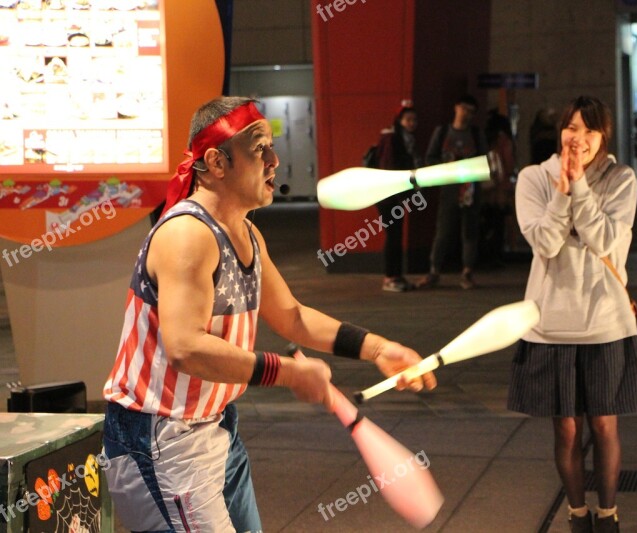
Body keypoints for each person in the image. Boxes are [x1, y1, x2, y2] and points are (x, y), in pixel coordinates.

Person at [102, 97, 436, 532]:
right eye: (260, 149)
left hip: (214, 426)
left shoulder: (245, 232)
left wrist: (379, 348)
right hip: (159, 437)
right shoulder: (187, 234)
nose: (275, 161)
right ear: (216, 162)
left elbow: (292, 316)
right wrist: (288, 373)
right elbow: (185, 348)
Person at [508, 95, 637, 533]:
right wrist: (562, 192)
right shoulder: (534, 178)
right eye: (572, 128)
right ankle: (577, 514)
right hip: (550, 324)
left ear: (603, 135)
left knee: (604, 424)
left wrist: (580, 186)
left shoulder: (621, 179)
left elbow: (604, 240)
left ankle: (608, 516)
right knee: (565, 430)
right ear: (559, 131)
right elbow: (545, 243)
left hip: (605, 320)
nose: (578, 139)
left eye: (590, 130)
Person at [415, 94, 488, 290]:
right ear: (456, 108)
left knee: (469, 231)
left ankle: (467, 272)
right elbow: (430, 158)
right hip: (448, 187)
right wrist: (447, 167)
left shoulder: (475, 134)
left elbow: (484, 161)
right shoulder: (442, 132)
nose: (466, 114)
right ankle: (434, 270)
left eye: (471, 111)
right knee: (443, 230)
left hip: (469, 188)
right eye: (464, 108)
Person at [375, 101, 422, 292]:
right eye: (408, 119)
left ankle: (396, 275)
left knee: (396, 234)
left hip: (395, 195)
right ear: (400, 120)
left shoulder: (405, 138)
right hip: (388, 195)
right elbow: (389, 166)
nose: (412, 123)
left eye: (414, 119)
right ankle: (390, 277)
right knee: (393, 235)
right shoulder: (392, 138)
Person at [481, 108, 516, 266]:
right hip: (499, 187)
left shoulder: (485, 139)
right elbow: (508, 165)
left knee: (487, 221)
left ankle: (485, 255)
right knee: (499, 220)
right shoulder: (504, 140)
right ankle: (496, 255)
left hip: (485, 188)